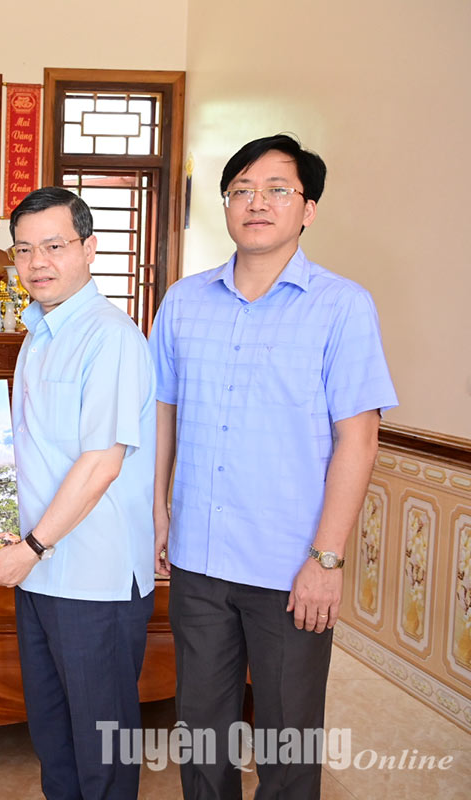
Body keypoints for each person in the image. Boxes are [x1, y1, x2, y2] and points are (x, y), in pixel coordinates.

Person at [149, 134, 397, 799]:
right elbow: (161, 414)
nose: (257, 203)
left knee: (287, 742)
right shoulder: (184, 301)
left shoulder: (342, 306)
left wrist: (327, 560)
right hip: (200, 561)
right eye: (242, 191)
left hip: (290, 569)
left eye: (277, 190)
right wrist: (157, 513)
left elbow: (359, 440)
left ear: (308, 208)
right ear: (225, 205)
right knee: (202, 737)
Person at [0, 187, 156, 799]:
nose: (37, 262)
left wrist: (31, 544)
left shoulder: (110, 337)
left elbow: (101, 462)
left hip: (92, 578)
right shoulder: (39, 331)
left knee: (102, 746)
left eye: (55, 246)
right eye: (24, 250)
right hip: (40, 571)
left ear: (89, 249)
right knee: (54, 736)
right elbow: (36, 453)